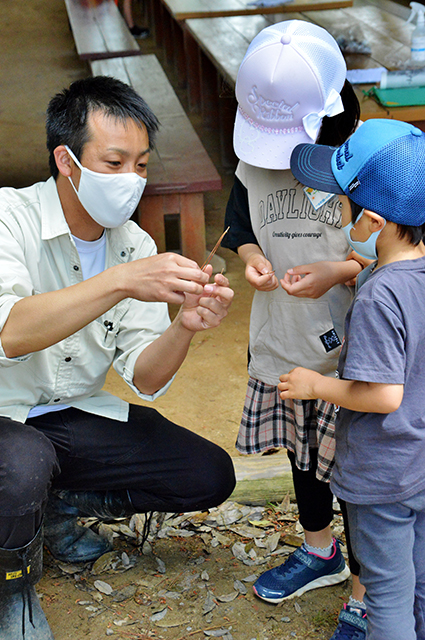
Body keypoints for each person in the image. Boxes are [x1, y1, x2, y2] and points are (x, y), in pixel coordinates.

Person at [0, 75, 236, 640]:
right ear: (67, 160)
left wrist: (185, 326)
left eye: (142, 165)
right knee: (20, 466)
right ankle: (12, 591)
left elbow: (145, 375)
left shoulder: (133, 243)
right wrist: (120, 281)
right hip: (5, 416)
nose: (131, 180)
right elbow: (9, 333)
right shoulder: (10, 216)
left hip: (71, 413)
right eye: (114, 161)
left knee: (206, 473)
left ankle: (51, 512)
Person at [222, 19, 367, 640]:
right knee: (302, 460)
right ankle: (320, 552)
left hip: (357, 361)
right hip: (283, 341)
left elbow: (400, 254)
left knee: (361, 479)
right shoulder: (251, 164)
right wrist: (253, 257)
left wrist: (343, 267)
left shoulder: (365, 166)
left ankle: (369, 589)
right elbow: (239, 225)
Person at [284, 118, 425, 640]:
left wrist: (313, 385)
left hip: (383, 474)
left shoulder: (377, 298)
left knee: (386, 593)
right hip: (420, 463)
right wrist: (346, 268)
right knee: (420, 584)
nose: (332, 206)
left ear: (370, 218)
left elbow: (384, 395)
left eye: (338, 199)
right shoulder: (409, 272)